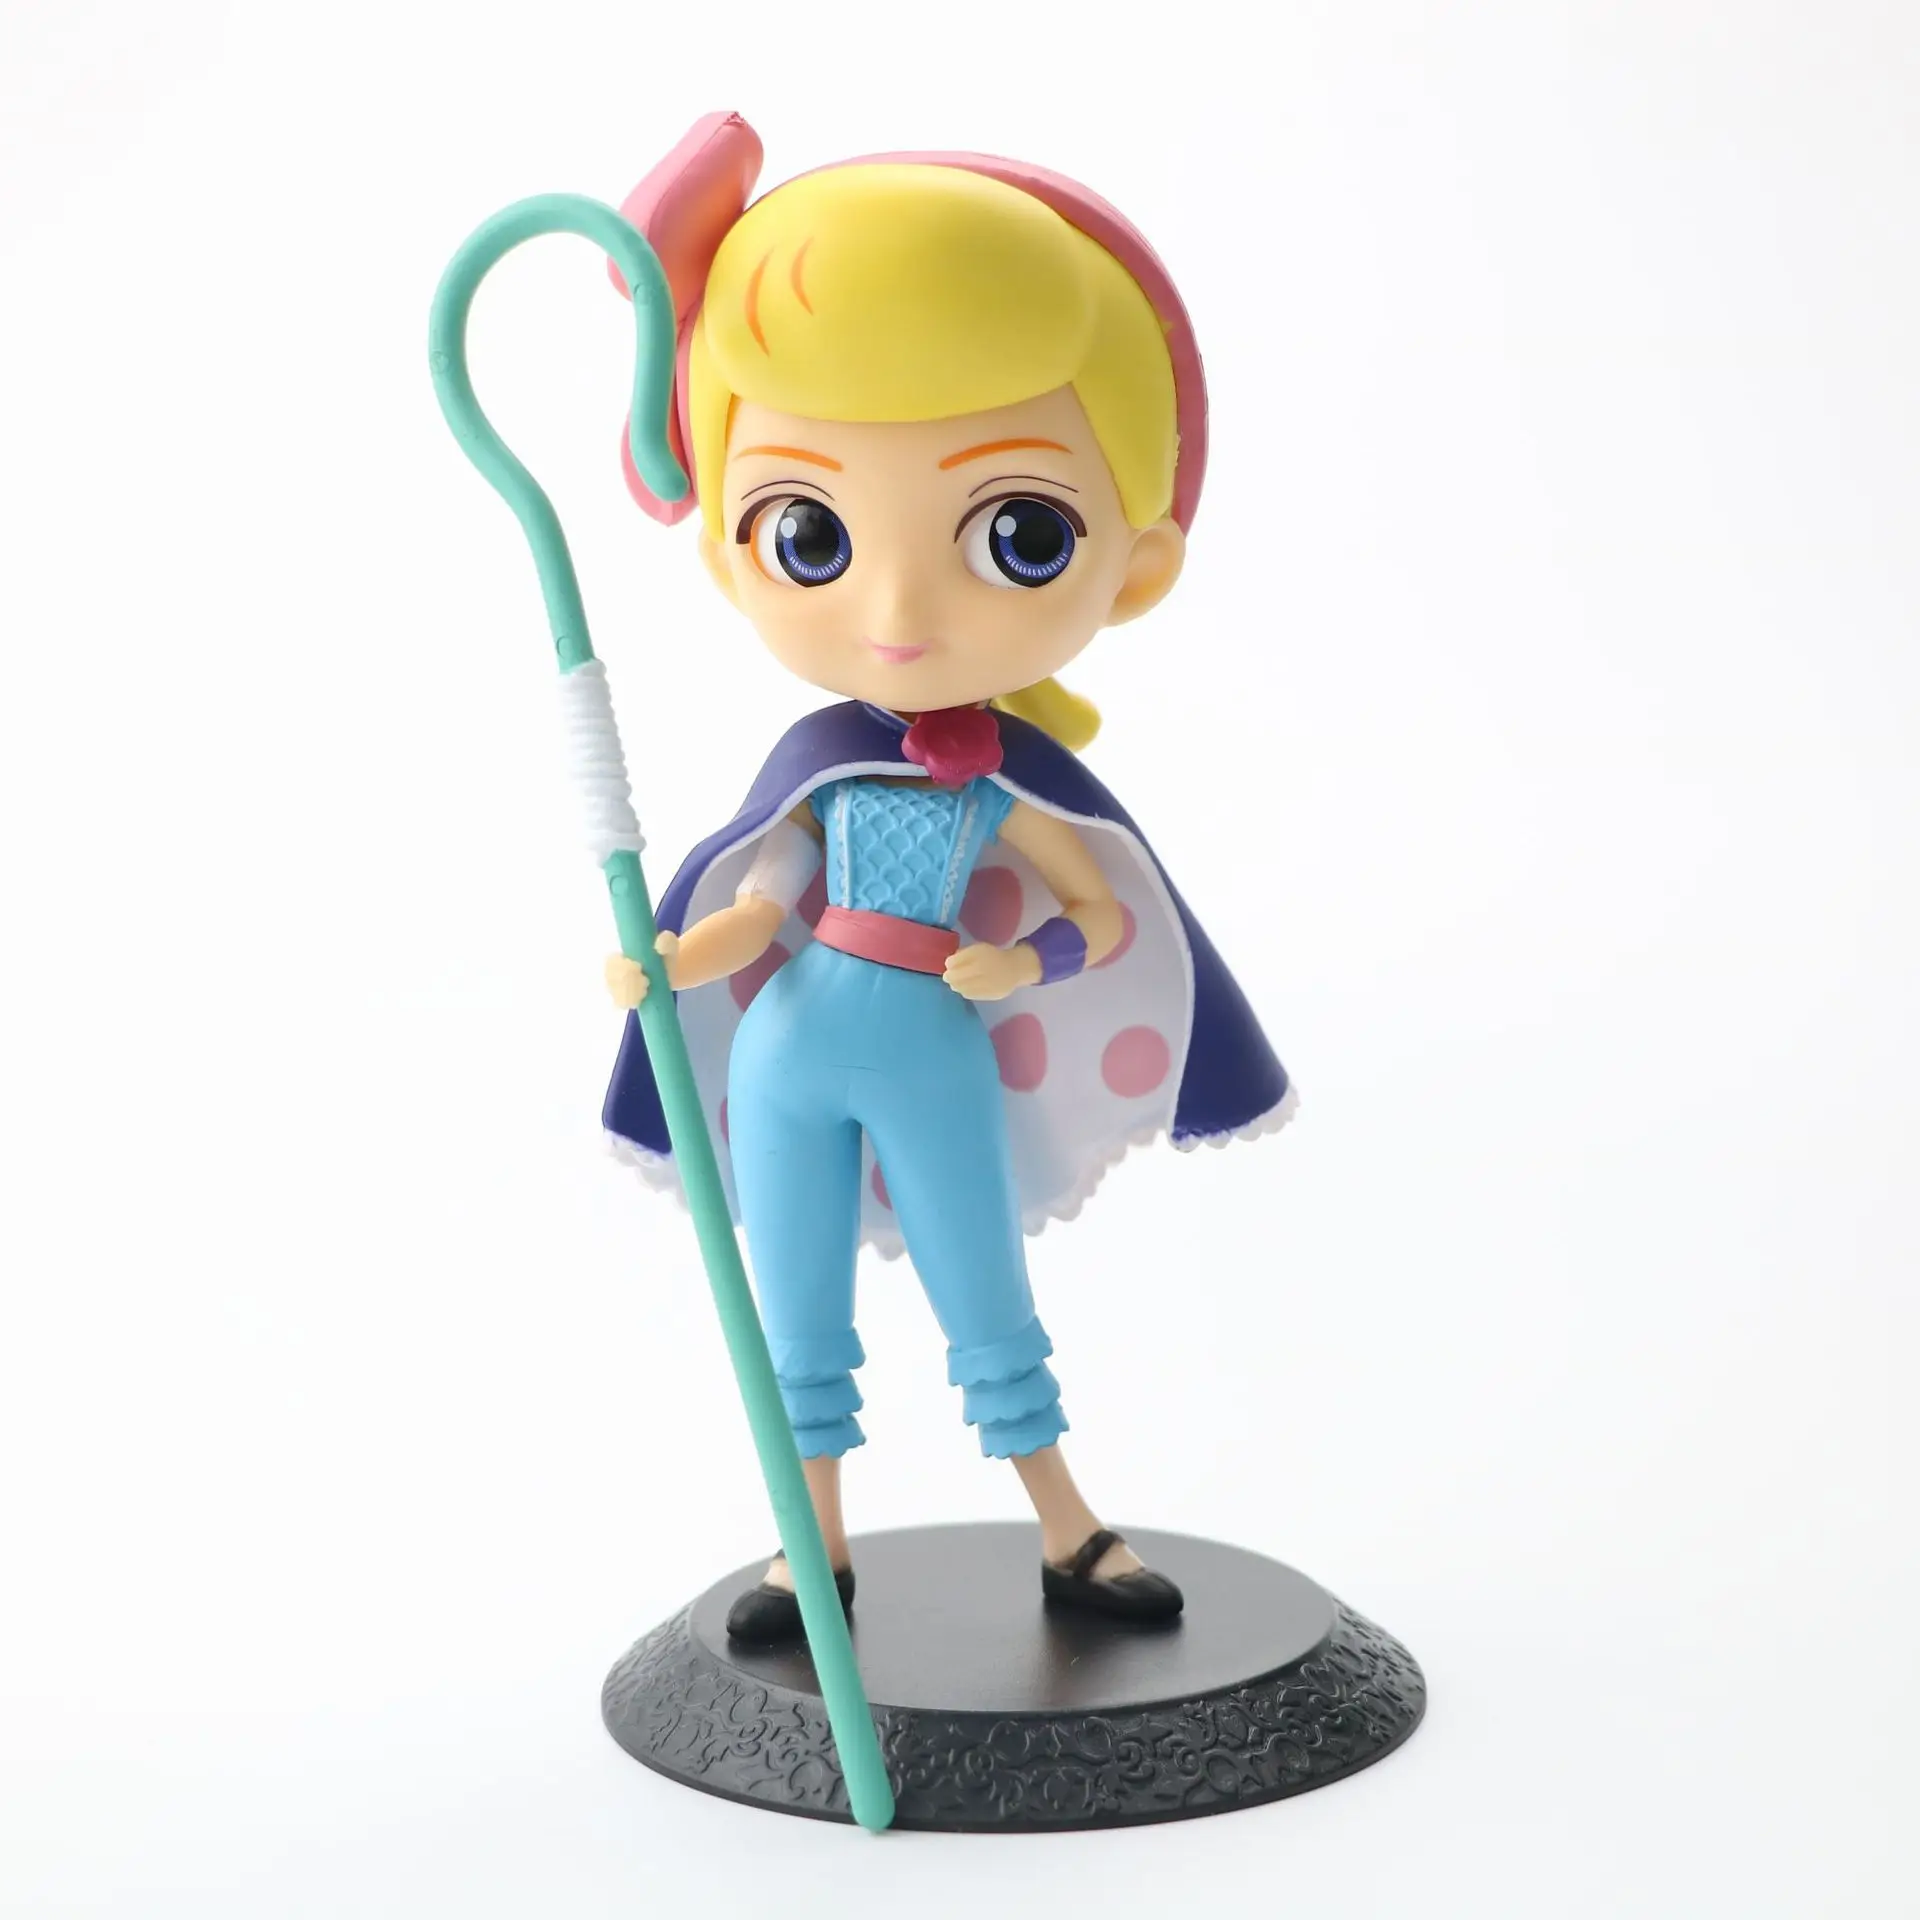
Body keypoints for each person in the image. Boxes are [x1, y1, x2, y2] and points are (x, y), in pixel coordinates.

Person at [600, 113, 1294, 1644]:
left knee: (986, 1301)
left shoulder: (1001, 785)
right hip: (786, 1057)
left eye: (1019, 532)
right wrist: (669, 962)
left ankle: (1070, 1529)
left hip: (931, 1048)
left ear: (1134, 561)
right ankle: (812, 1548)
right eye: (809, 531)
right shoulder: (816, 776)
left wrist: (1023, 965)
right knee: (797, 1318)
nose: (900, 607)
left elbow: (1100, 911)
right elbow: (755, 909)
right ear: (727, 549)